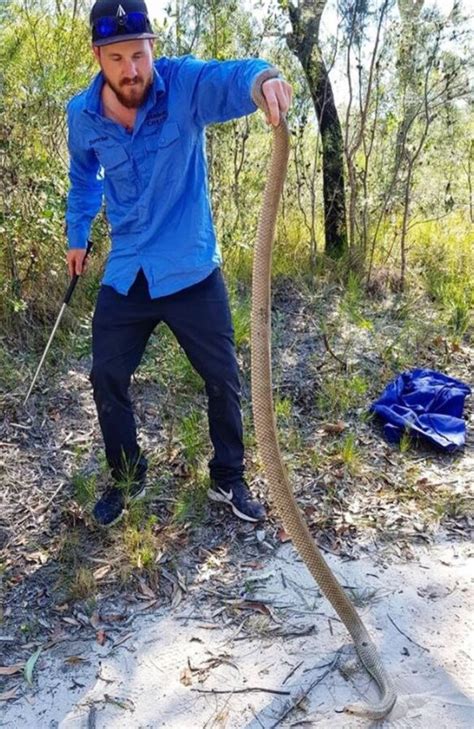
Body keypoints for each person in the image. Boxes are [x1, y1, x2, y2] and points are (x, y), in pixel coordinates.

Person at [66, 0, 292, 528]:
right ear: (99, 56)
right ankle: (127, 476)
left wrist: (265, 81)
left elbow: (233, 78)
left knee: (222, 374)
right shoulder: (83, 115)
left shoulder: (183, 85)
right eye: (117, 58)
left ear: (153, 49)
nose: (132, 70)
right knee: (106, 374)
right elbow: (83, 179)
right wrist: (78, 234)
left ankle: (228, 479)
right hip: (129, 270)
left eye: (139, 55)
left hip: (190, 266)